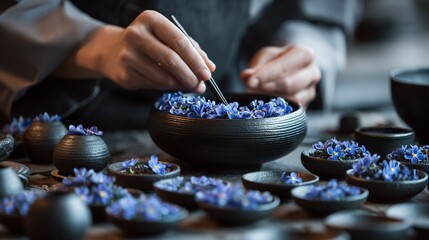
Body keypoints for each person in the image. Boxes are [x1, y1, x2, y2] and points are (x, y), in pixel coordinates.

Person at [0, 0, 361, 130]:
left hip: (231, 107)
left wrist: (301, 54)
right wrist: (95, 45)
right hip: (74, 125)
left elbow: (319, 12)